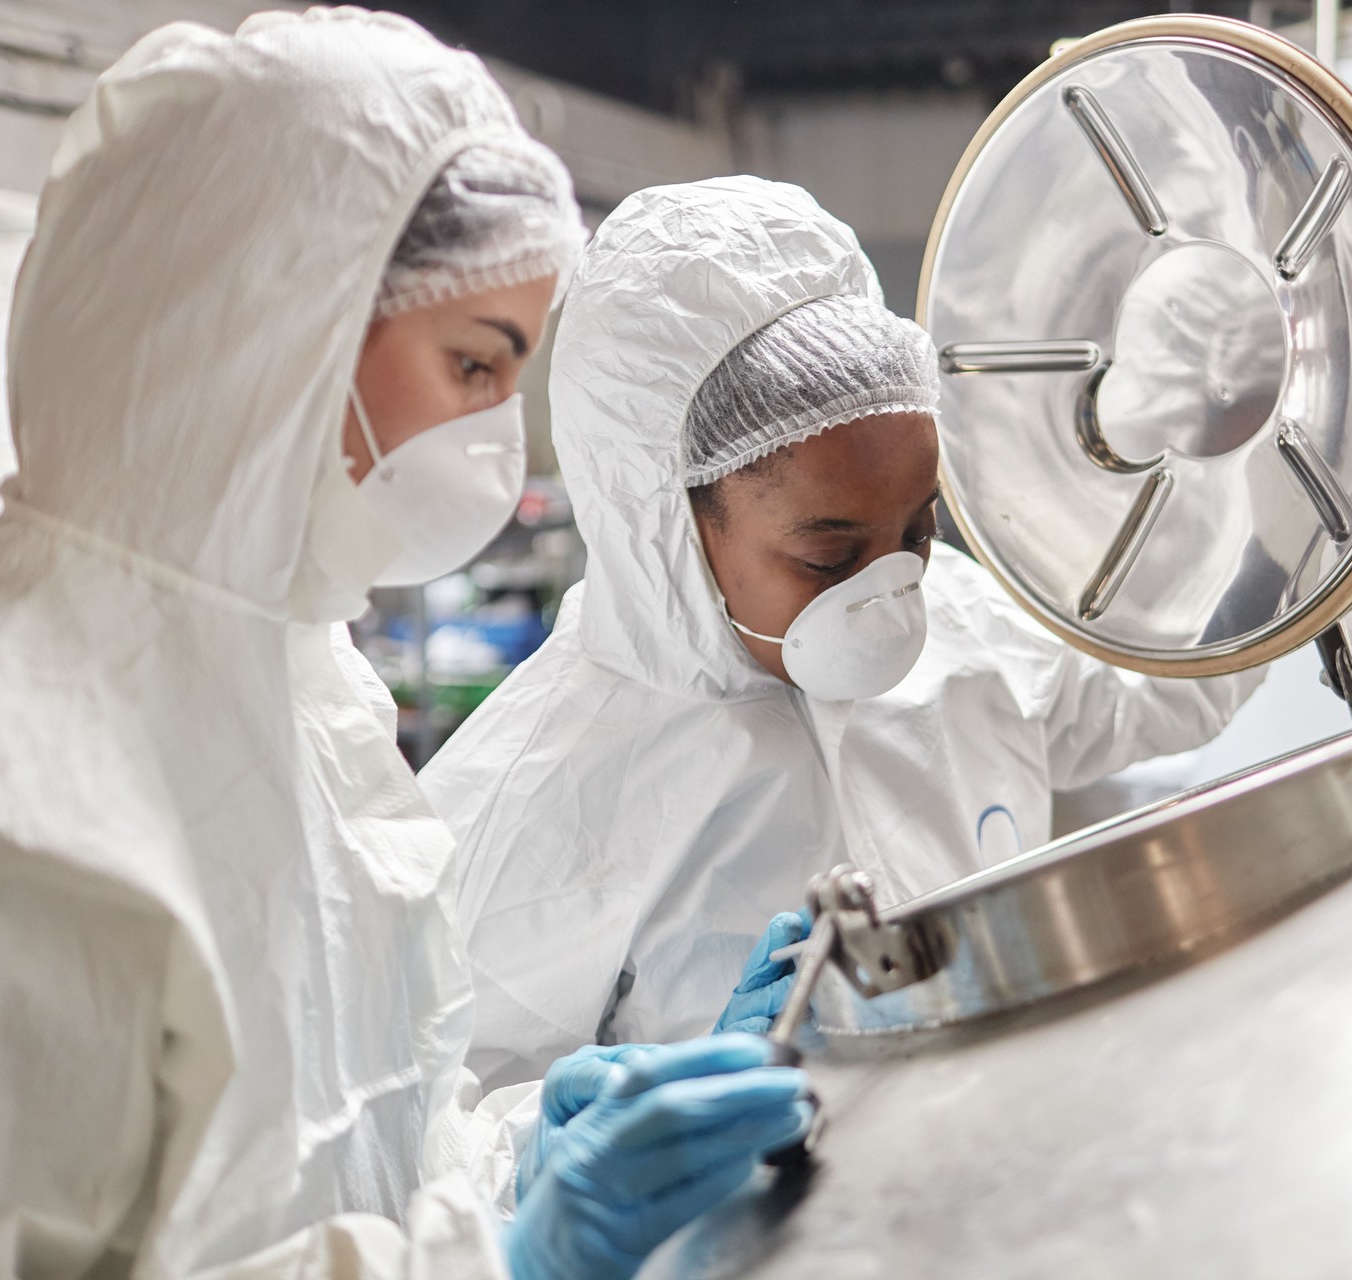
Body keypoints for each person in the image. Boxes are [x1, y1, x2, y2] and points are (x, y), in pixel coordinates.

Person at [0, 13, 806, 1279]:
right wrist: (511, 1261)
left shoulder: (297, 681)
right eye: (473, 365)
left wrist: (524, 1158)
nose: (501, 443)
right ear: (276, 322)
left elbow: (358, 1144)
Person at [420, 176, 1267, 1090]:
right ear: (663, 519)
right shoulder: (541, 796)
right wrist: (622, 1120)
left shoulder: (962, 628)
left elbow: (1166, 687)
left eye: (919, 531)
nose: (890, 593)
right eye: (826, 558)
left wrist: (1218, 460)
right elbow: (435, 1136)